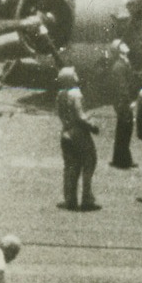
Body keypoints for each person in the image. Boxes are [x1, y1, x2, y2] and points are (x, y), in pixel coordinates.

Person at [56, 66, 99, 211]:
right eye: (74, 73)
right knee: (89, 163)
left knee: (70, 167)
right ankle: (87, 197)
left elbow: (60, 113)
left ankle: (70, 198)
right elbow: (81, 115)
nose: (76, 74)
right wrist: (92, 125)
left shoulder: (60, 94)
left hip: (66, 132)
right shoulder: (76, 93)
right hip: (79, 134)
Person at [107, 40, 137, 169]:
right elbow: (122, 87)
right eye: (122, 44)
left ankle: (120, 159)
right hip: (123, 102)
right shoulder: (119, 66)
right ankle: (123, 161)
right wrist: (128, 101)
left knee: (123, 130)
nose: (126, 44)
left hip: (123, 102)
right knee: (125, 129)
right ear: (119, 50)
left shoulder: (123, 63)